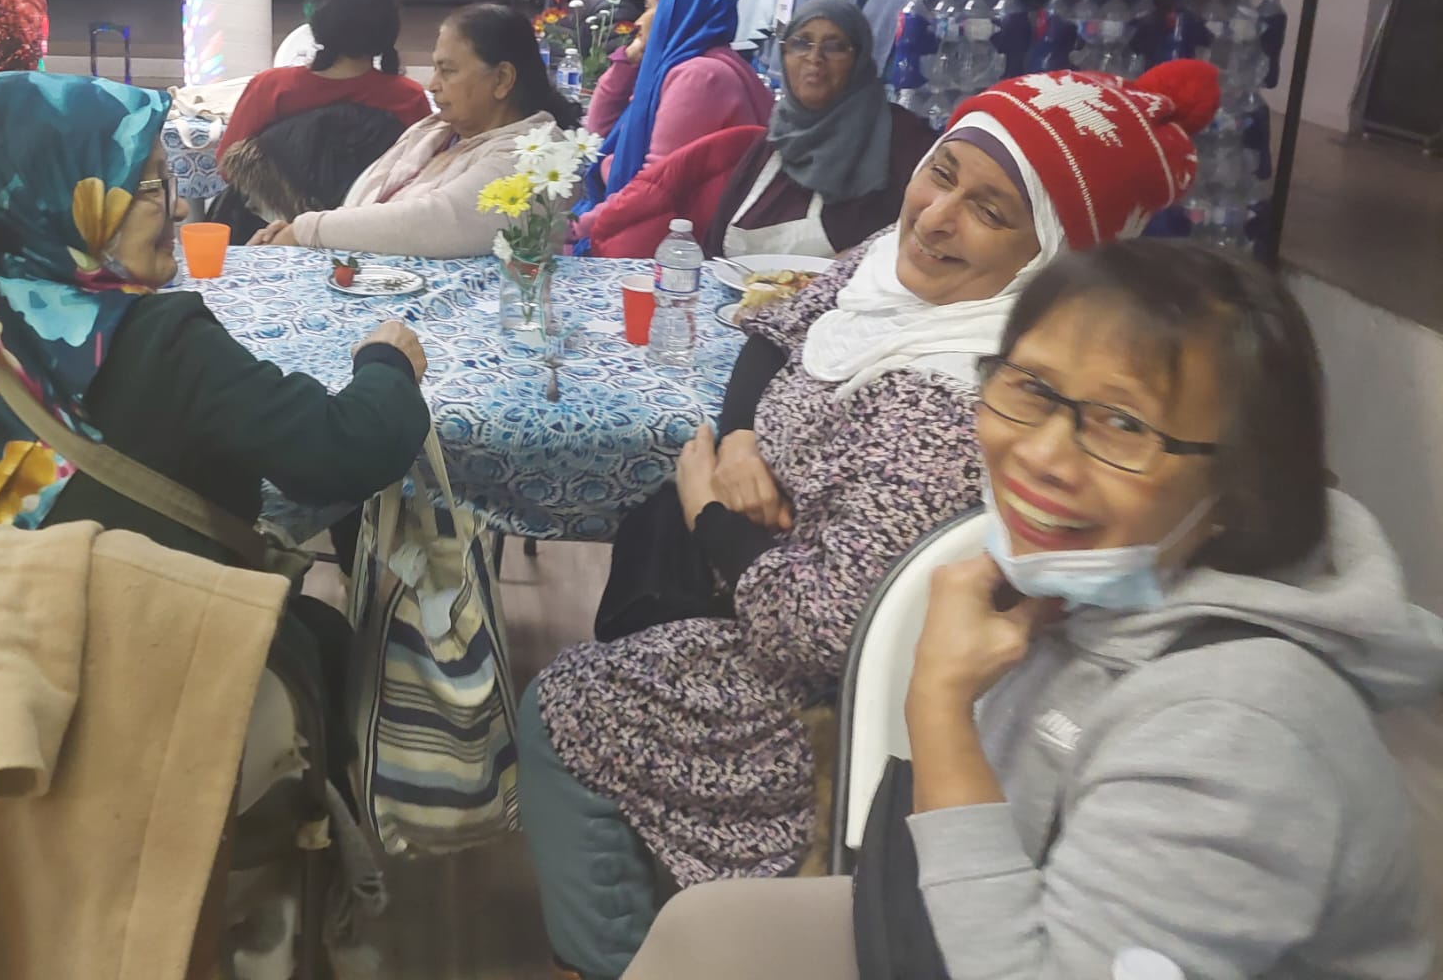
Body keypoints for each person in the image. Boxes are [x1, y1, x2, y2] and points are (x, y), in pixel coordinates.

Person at [517, 61, 1221, 980]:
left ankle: (612, 960)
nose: (936, 216)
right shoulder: (897, 269)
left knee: (559, 708)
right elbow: (781, 328)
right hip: (756, 580)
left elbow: (824, 633)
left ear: (1051, 256)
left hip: (824, 693)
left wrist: (710, 518)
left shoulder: (962, 399)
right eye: (943, 171)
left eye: (993, 210)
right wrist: (738, 444)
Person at [625, 240, 1443, 980]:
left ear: (1240, 487)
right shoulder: (1092, 586)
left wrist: (938, 707)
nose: (1042, 456)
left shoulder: (1241, 731)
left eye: (1123, 425)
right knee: (704, 931)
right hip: (988, 919)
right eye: (1031, 387)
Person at [0, 69, 431, 548]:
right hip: (150, 667)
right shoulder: (159, 345)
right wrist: (385, 362)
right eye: (148, 186)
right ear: (66, 200)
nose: (177, 211)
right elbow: (346, 451)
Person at [585, 0, 936, 260]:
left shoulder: (901, 141)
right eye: (801, 43)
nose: (814, 58)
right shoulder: (776, 139)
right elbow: (715, 248)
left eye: (834, 46)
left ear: (859, 59)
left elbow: (912, 251)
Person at [250, 4, 583, 259]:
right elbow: (367, 206)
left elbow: (433, 222)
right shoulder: (439, 130)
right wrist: (297, 234)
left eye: (447, 71)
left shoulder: (536, 156)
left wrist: (307, 230)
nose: (432, 85)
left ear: (502, 80)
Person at [573, 0, 773, 235]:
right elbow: (597, 133)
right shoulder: (684, 65)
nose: (638, 21)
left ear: (682, 13)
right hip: (651, 215)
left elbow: (655, 185)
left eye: (654, 7)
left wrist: (578, 227)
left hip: (672, 235)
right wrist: (627, 61)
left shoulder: (700, 76)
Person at [216, 0, 432, 167]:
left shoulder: (272, 88)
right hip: (378, 209)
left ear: (318, 25)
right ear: (390, 30)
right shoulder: (408, 98)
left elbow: (228, 165)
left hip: (282, 210)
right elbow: (424, 171)